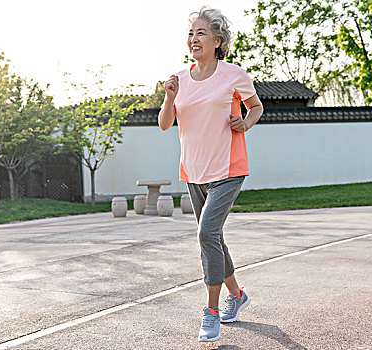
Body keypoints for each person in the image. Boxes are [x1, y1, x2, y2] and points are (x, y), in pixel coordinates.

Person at [158, 7, 264, 343]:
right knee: (213, 238)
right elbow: (164, 124)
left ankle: (212, 311)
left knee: (206, 234)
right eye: (191, 34)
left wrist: (244, 122)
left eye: (201, 33)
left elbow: (257, 106)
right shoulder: (180, 79)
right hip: (193, 172)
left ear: (218, 40)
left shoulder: (233, 75)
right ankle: (238, 295)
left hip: (228, 169)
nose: (193, 39)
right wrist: (169, 97)